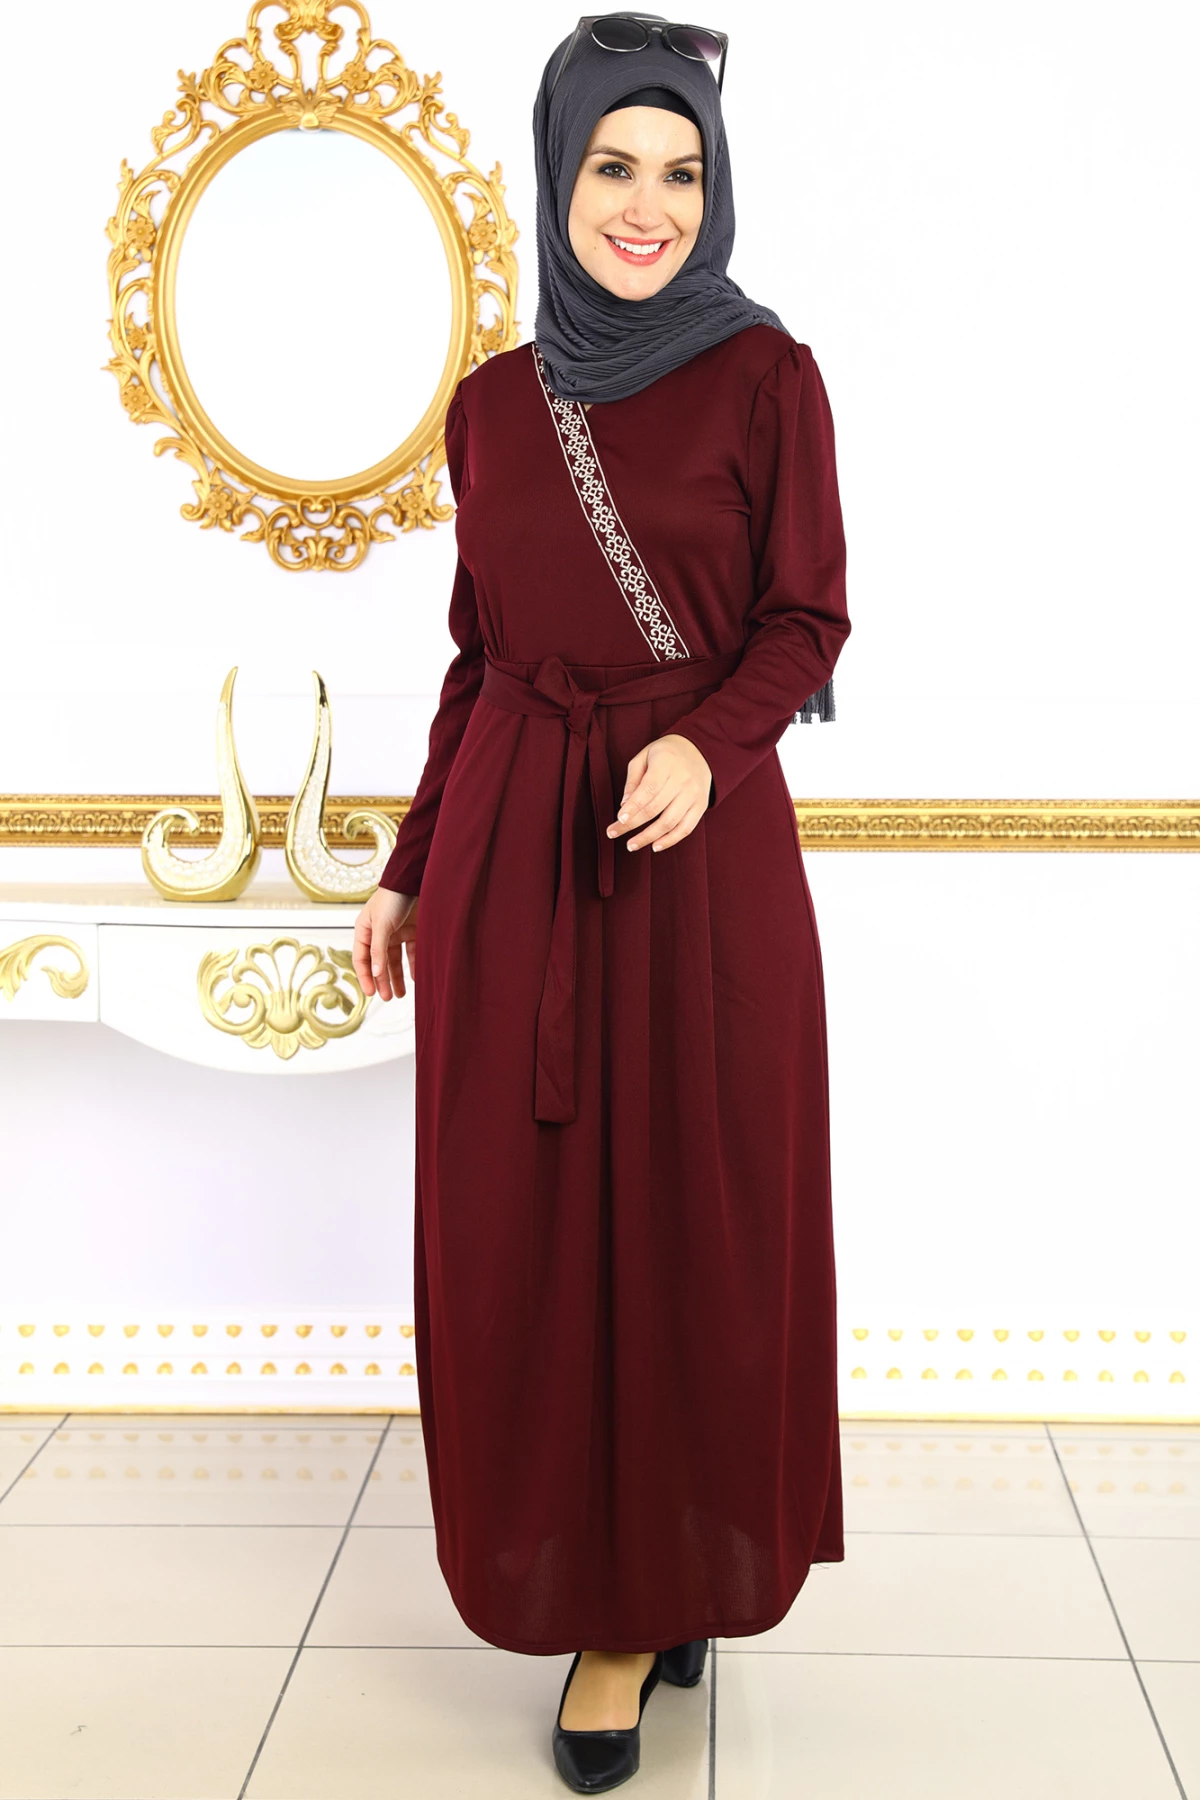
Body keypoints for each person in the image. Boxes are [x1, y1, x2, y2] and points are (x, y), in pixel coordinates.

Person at [353, 12, 851, 1791]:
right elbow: (480, 654)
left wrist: (709, 745)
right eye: (614, 166)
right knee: (535, 1237)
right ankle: (604, 1592)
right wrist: (414, 860)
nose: (649, 205)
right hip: (516, 857)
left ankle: (662, 1590)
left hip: (698, 858)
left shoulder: (769, 375)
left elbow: (806, 617)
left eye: (683, 170)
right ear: (558, 175)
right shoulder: (496, 406)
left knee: (700, 1225)